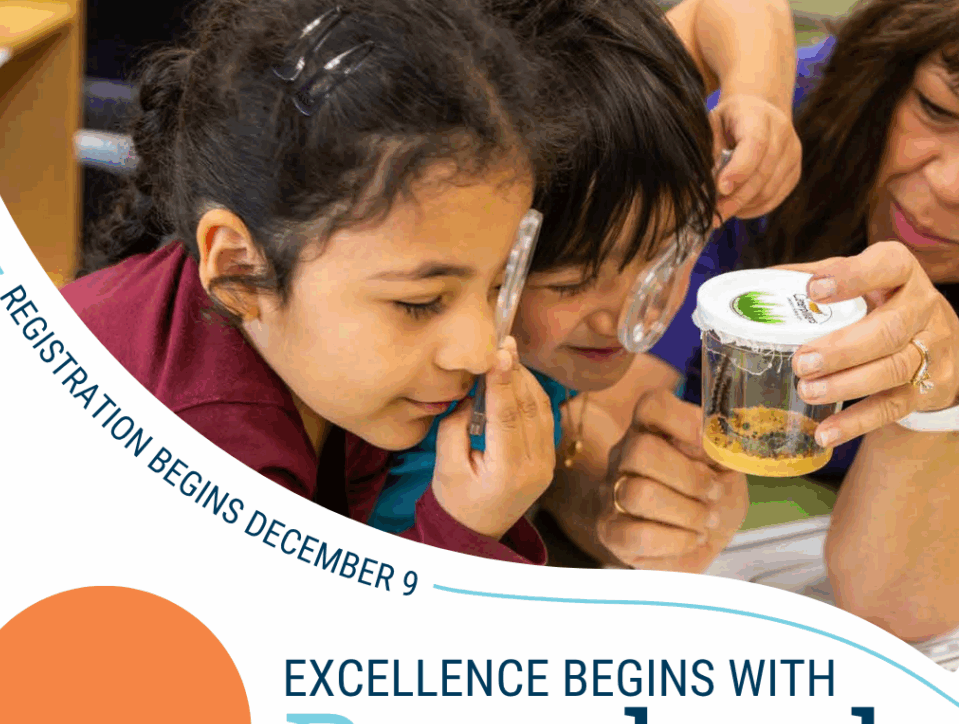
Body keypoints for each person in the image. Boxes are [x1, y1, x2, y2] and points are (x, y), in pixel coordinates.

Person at [63, 0, 564, 565]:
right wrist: (465, 532)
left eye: (498, 286)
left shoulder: (311, 361)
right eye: (419, 303)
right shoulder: (202, 455)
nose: (479, 349)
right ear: (238, 270)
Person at [370, 0, 801, 572]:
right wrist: (467, 529)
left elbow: (723, 11)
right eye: (572, 281)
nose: (624, 314)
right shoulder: (407, 411)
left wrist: (756, 100)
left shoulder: (594, 123)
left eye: (666, 253)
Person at [600, 0, 959, 643]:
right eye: (936, 109)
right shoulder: (767, 149)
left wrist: (931, 402)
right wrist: (653, 502)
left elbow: (890, 607)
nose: (951, 184)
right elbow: (603, 407)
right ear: (888, 67)